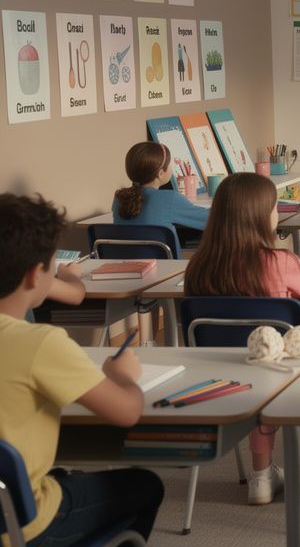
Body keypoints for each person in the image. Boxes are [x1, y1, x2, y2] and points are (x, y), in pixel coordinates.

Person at [0, 193, 164, 545]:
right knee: (146, 485)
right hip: (21, 524)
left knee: (60, 472)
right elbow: (126, 412)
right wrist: (120, 375)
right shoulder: (39, 344)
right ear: (34, 274)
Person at [183, 172, 300, 504]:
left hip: (217, 373)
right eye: (274, 207)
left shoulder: (198, 267)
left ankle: (261, 478)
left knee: (254, 366)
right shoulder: (281, 262)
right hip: (278, 373)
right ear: (261, 216)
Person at [112, 140, 210, 234]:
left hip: (125, 252)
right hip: (163, 252)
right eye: (169, 164)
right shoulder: (170, 199)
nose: (171, 168)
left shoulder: (119, 199)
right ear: (161, 173)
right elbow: (212, 220)